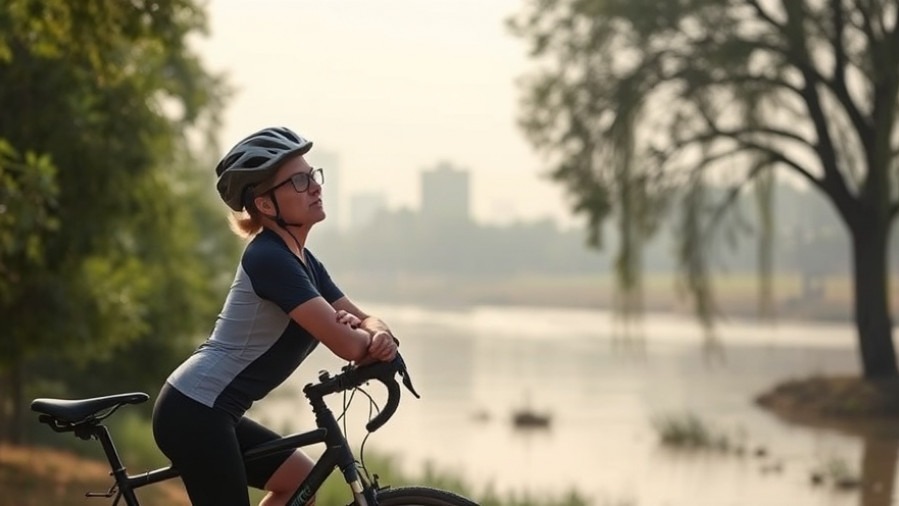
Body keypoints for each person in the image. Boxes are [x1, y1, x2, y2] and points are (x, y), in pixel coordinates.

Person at [152, 126, 399, 506]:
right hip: (194, 411)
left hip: (212, 408)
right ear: (266, 205)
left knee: (301, 483)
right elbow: (348, 344)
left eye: (313, 175)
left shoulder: (303, 262)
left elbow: (365, 322)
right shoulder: (269, 259)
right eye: (299, 181)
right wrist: (364, 338)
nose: (315, 187)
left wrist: (374, 333)